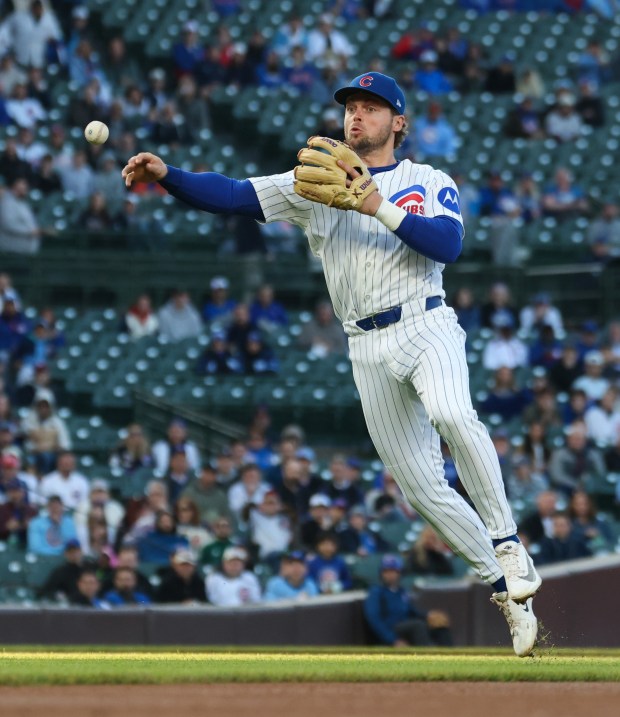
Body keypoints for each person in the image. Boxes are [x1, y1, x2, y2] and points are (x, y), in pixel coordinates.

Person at [121, 70, 542, 657]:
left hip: (425, 321)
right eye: (350, 106)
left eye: (371, 107)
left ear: (398, 122)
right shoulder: (315, 185)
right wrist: (169, 177)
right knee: (421, 489)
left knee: (452, 412)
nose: (356, 116)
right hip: (363, 344)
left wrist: (376, 205)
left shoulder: (426, 179)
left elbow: (448, 246)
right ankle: (507, 594)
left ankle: (507, 542)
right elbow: (236, 195)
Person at [364, 555, 454, 649]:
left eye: (393, 571)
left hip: (407, 626)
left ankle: (451, 656)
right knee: (418, 625)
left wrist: (428, 615)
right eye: (386, 571)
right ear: (382, 573)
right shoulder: (376, 592)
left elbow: (412, 611)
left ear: (399, 573)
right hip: (391, 628)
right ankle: (427, 657)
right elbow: (374, 619)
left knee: (439, 626)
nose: (390, 574)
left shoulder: (401, 591)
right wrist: (393, 639)